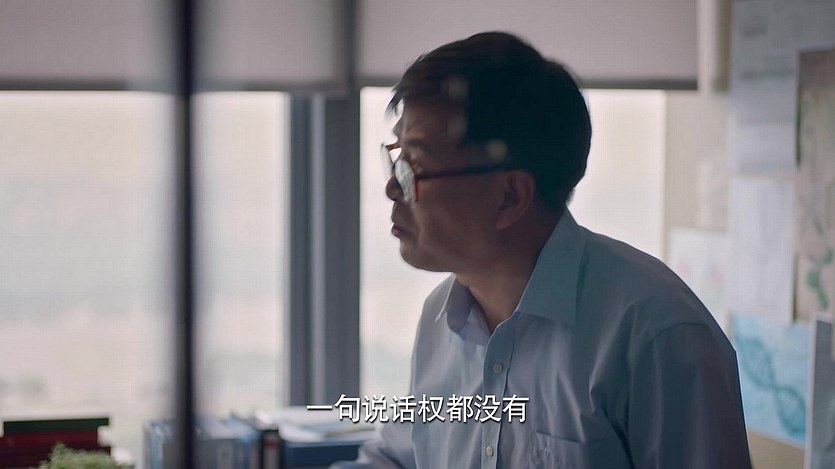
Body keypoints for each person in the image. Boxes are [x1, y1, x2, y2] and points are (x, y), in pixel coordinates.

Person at [334, 31, 752, 468]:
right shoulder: (441, 318)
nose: (392, 187)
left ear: (510, 196)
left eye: (415, 165)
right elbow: (400, 457)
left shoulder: (656, 334)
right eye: (396, 158)